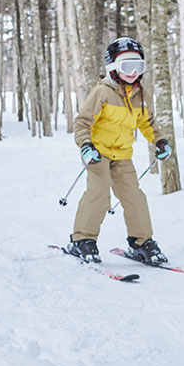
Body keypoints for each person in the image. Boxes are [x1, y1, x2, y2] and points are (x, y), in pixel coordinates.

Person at [66, 37, 172, 266]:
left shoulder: (140, 94)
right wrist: (86, 145)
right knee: (99, 194)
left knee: (134, 197)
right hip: (97, 153)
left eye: (138, 66)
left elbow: (147, 123)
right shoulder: (102, 93)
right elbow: (83, 122)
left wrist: (159, 141)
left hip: (122, 155)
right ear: (113, 68)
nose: (133, 72)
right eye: (126, 66)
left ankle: (141, 242)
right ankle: (82, 240)